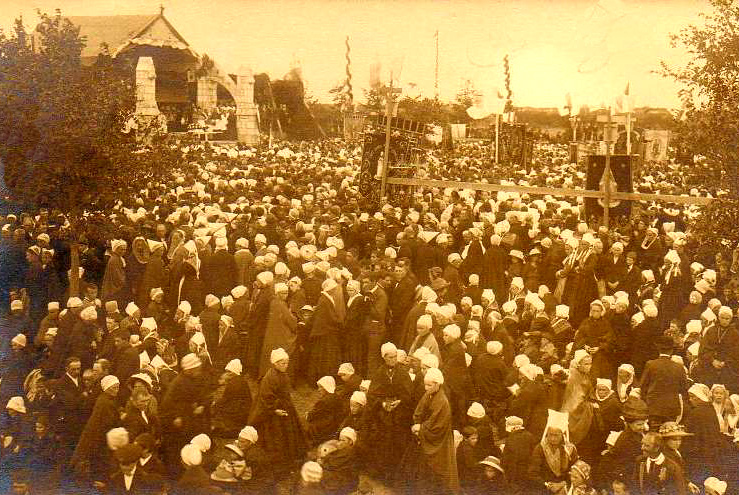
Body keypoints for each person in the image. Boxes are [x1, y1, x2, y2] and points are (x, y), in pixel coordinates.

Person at [248, 348, 306, 476]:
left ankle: (290, 454)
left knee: (289, 432)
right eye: (282, 363)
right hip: (271, 411)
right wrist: (275, 410)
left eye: (286, 363)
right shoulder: (269, 378)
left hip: (285, 406)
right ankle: (277, 458)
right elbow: (266, 397)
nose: (285, 366)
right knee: (276, 435)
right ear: (274, 364)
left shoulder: (282, 374)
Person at [407, 367, 459, 494]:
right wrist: (417, 422)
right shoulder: (429, 394)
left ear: (437, 384)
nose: (426, 388)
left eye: (429, 385)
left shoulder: (442, 402)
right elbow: (419, 410)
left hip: (439, 441)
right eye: (425, 385)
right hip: (426, 436)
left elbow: (437, 425)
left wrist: (420, 428)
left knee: (437, 468)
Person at [527, 409, 578, 495]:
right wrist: (547, 485)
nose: (553, 439)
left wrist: (563, 484)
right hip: (544, 487)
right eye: (550, 435)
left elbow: (575, 471)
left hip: (565, 486)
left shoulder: (570, 449)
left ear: (562, 435)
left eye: (556, 435)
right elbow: (532, 473)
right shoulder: (540, 448)